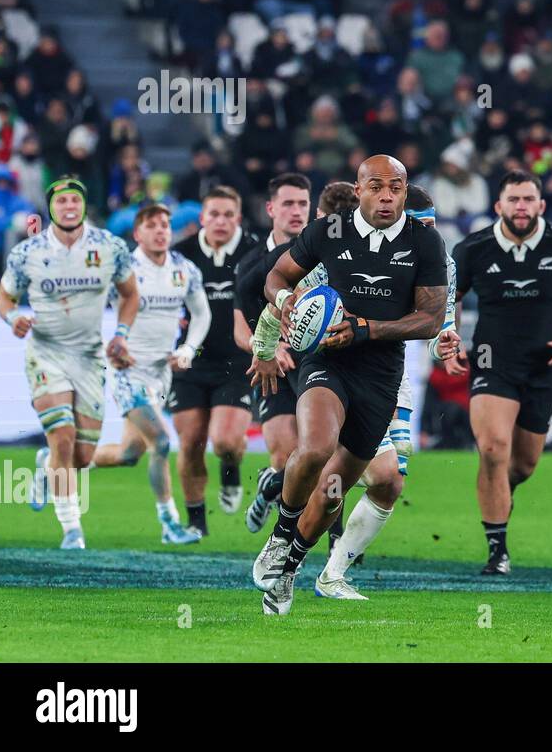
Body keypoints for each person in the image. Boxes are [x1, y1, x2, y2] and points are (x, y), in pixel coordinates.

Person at [250, 155, 448, 615]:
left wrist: (365, 328)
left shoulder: (425, 241)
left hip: (380, 375)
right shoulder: (331, 230)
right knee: (316, 448)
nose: (386, 196)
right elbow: (276, 276)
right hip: (327, 361)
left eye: (395, 188)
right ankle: (281, 537)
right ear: (357, 190)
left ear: (405, 191)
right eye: (375, 187)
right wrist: (287, 299)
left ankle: (290, 571)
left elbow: (430, 318)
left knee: (335, 488)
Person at [445, 170, 552, 575]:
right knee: (494, 448)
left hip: (544, 365)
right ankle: (498, 551)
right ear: (498, 206)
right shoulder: (474, 248)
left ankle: (500, 490)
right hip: (492, 361)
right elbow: (450, 297)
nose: (520, 207)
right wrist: (450, 339)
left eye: (528, 199)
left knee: (523, 465)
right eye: (513, 199)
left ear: (541, 206)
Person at [0, 177, 139, 549]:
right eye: (61, 201)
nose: (69, 206)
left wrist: (121, 333)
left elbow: (130, 293)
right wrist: (13, 319)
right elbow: (4, 296)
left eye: (75, 199)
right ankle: (72, 529)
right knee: (63, 434)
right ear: (51, 208)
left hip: (90, 357)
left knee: (81, 455)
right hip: (46, 353)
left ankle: (47, 467)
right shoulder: (28, 252)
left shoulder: (109, 247)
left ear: (84, 205)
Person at [93, 203, 209, 545]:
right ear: (137, 233)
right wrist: (111, 345)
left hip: (161, 373)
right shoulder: (123, 269)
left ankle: (57, 461)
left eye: (165, 225)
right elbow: (89, 307)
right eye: (152, 225)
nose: (161, 231)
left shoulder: (184, 269)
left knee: (130, 454)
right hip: (128, 371)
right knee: (160, 441)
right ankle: (169, 523)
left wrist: (187, 350)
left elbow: (201, 315)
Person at [169, 186, 261, 536]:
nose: (221, 221)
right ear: (202, 218)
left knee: (224, 441)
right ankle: (196, 524)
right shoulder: (181, 255)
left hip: (237, 363)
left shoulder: (254, 251)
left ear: (238, 218)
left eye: (228, 215)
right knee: (190, 442)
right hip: (190, 363)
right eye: (214, 214)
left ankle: (230, 470)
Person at [233, 173, 313, 534]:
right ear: (271, 209)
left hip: (317, 366)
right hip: (273, 370)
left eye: (303, 204)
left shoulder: (323, 254)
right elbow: (238, 329)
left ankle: (272, 487)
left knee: (317, 458)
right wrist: (267, 348)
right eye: (288, 204)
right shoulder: (252, 263)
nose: (296, 212)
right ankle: (277, 496)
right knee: (287, 457)